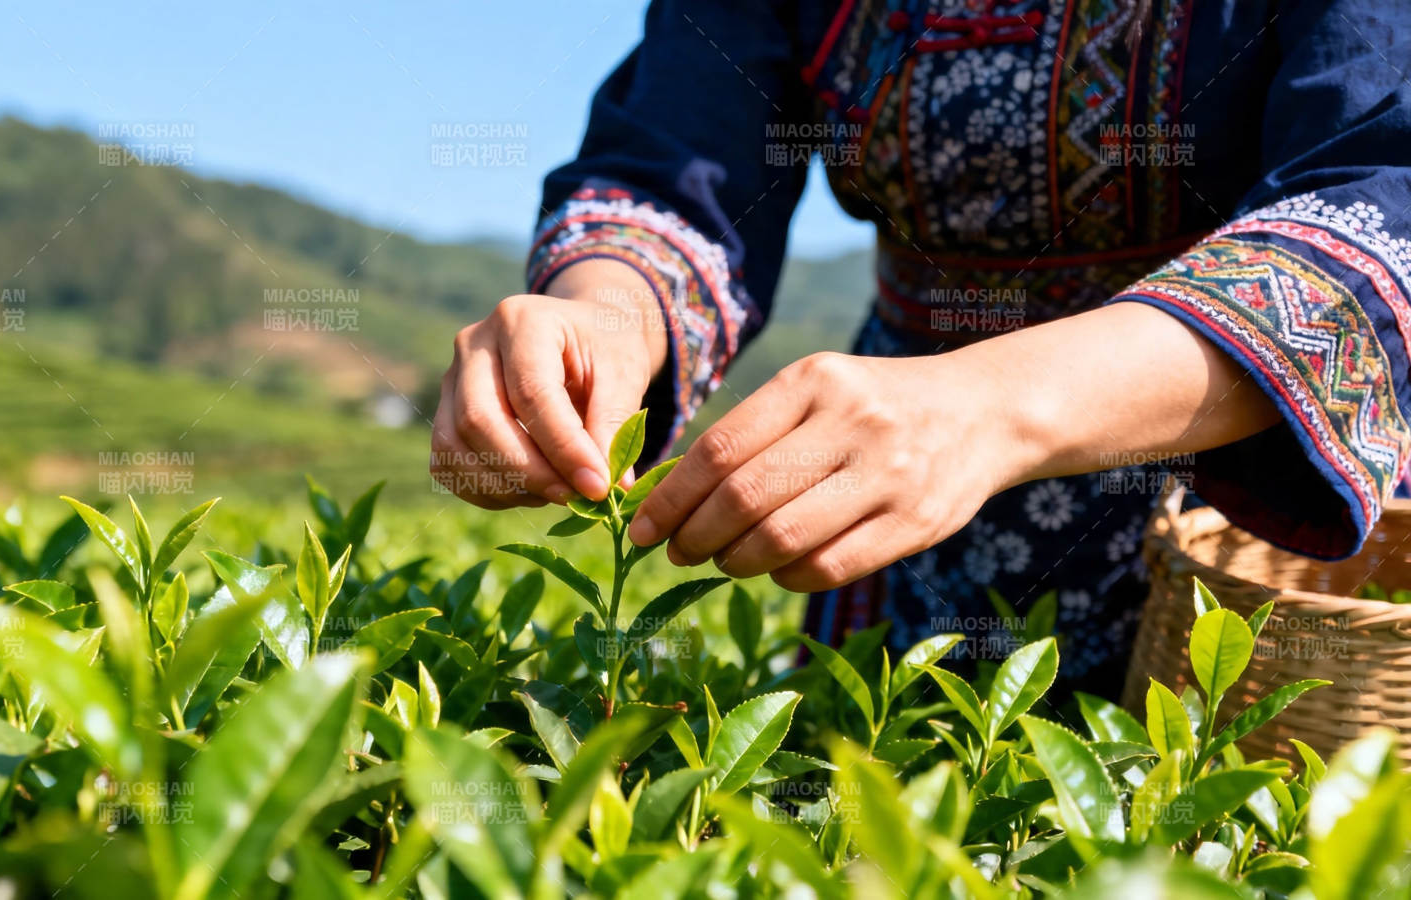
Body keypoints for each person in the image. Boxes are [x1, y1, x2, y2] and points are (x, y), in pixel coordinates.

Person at [431, 0, 1411, 694]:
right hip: (895, 525)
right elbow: (675, 164)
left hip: (1238, 525)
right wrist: (603, 313)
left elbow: (1376, 201)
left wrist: (985, 409)